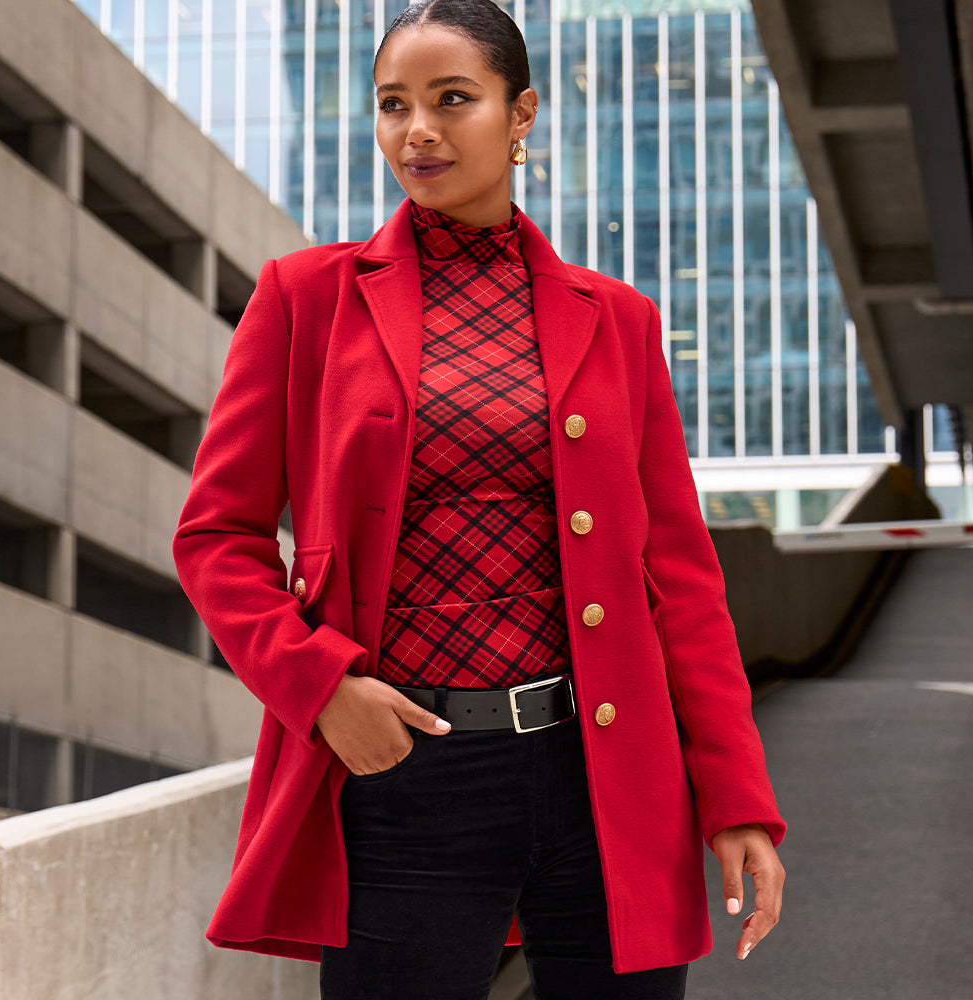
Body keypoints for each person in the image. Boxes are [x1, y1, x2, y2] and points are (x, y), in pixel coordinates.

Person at [172, 0, 787, 996]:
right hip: (403, 766)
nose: (416, 131)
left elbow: (677, 577)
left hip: (601, 774)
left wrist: (734, 797)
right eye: (391, 105)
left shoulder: (617, 321)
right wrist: (319, 687)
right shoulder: (305, 298)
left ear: (519, 114)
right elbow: (216, 535)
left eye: (451, 100)